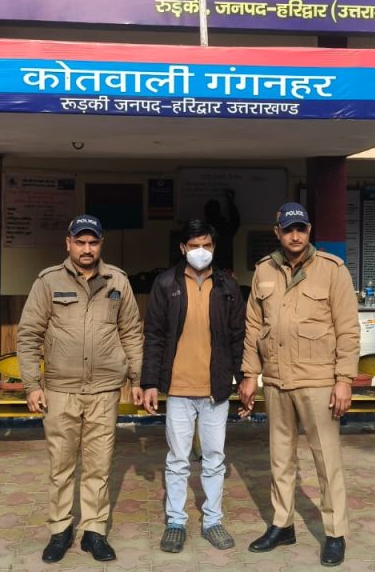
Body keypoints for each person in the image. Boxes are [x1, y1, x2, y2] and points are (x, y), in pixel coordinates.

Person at [16, 214, 144, 564]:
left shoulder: (117, 280)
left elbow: (132, 332)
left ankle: (94, 531)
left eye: (93, 242)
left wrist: (136, 379)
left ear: (101, 244)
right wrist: (32, 384)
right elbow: (29, 335)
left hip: (104, 389)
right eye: (80, 242)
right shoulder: (48, 281)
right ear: (68, 243)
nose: (87, 249)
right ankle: (60, 530)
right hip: (61, 389)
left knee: (99, 464)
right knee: (61, 464)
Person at [238, 202, 359, 568]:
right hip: (276, 379)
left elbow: (348, 329)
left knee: (326, 458)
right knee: (280, 457)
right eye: (288, 229)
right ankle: (282, 524)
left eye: (301, 229)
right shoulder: (264, 270)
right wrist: (249, 374)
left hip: (318, 379)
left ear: (309, 231)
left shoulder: (332, 270)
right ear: (278, 232)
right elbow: (253, 326)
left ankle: (335, 533)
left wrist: (344, 380)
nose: (295, 235)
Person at [140, 220, 246, 553]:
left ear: (214, 247)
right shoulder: (166, 283)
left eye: (207, 245)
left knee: (214, 458)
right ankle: (176, 522)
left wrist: (244, 378)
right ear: (183, 248)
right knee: (177, 459)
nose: (201, 251)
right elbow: (154, 334)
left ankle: (212, 521)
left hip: (216, 389)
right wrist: (149, 382)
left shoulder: (228, 285)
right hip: (179, 389)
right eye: (195, 245)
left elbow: (238, 336)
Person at [203, 189, 240, 274]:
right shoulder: (226, 228)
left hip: (207, 269)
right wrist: (231, 202)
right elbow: (236, 221)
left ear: (205, 214)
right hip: (225, 268)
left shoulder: (202, 231)